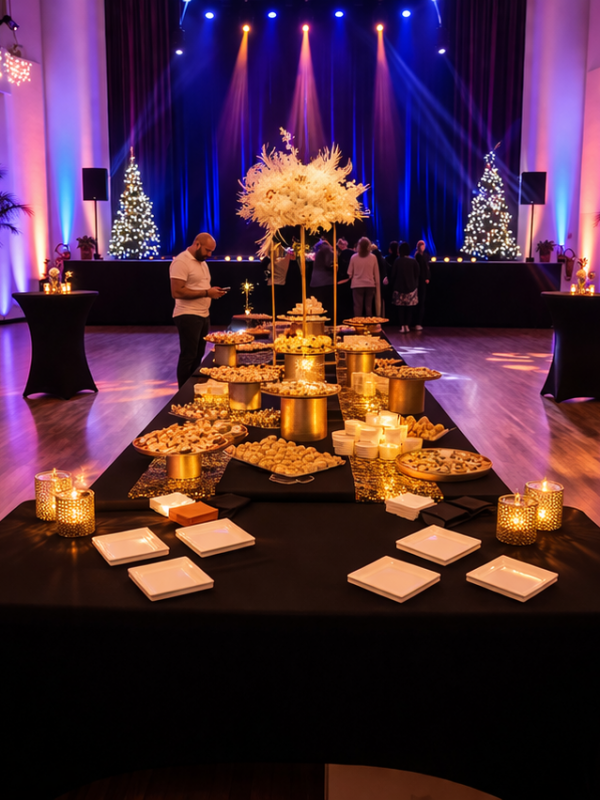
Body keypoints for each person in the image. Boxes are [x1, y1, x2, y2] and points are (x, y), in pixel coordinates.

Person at [170, 232, 227, 387]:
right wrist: (207, 293)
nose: (209, 254)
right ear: (197, 244)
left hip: (203, 315)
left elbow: (199, 286)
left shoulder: (202, 262)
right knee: (189, 355)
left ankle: (193, 388)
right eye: (207, 250)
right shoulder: (181, 261)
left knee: (198, 355)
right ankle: (183, 392)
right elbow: (177, 292)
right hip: (187, 314)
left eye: (211, 251)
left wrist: (212, 291)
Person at [388, 241, 419, 333]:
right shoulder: (414, 261)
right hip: (412, 288)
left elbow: (393, 274)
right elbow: (417, 274)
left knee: (400, 308)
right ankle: (407, 325)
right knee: (409, 308)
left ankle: (402, 326)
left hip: (399, 288)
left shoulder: (398, 261)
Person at [347, 236, 380, 317]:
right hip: (370, 285)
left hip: (357, 285)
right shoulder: (373, 257)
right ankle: (369, 323)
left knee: (358, 306)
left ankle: (358, 323)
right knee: (368, 307)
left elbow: (349, 273)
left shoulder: (353, 257)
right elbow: (376, 273)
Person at [267, 245, 295, 312]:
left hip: (272, 285)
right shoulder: (283, 262)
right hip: (279, 285)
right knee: (278, 306)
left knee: (273, 306)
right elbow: (291, 253)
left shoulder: (272, 263)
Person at [309, 238, 334, 311]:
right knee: (326, 306)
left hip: (315, 281)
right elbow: (328, 264)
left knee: (317, 306)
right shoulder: (327, 250)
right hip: (325, 281)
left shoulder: (319, 251)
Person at [413, 240, 431, 331]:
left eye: (423, 245)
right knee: (420, 301)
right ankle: (417, 322)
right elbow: (422, 269)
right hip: (421, 281)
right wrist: (425, 278)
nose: (423, 247)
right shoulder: (418, 256)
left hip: (423, 280)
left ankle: (418, 322)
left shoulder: (424, 255)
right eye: (421, 245)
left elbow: (426, 267)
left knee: (421, 301)